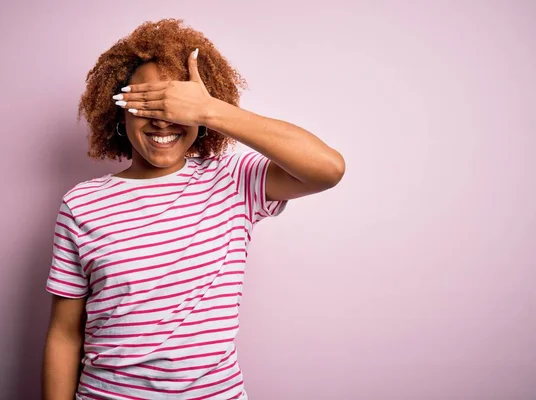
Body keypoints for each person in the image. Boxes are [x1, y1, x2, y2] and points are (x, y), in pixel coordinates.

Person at [42, 18, 345, 400]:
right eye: (147, 102)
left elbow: (328, 169)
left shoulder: (233, 180)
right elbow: (65, 334)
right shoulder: (81, 204)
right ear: (119, 111)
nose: (163, 117)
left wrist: (210, 110)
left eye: (176, 105)